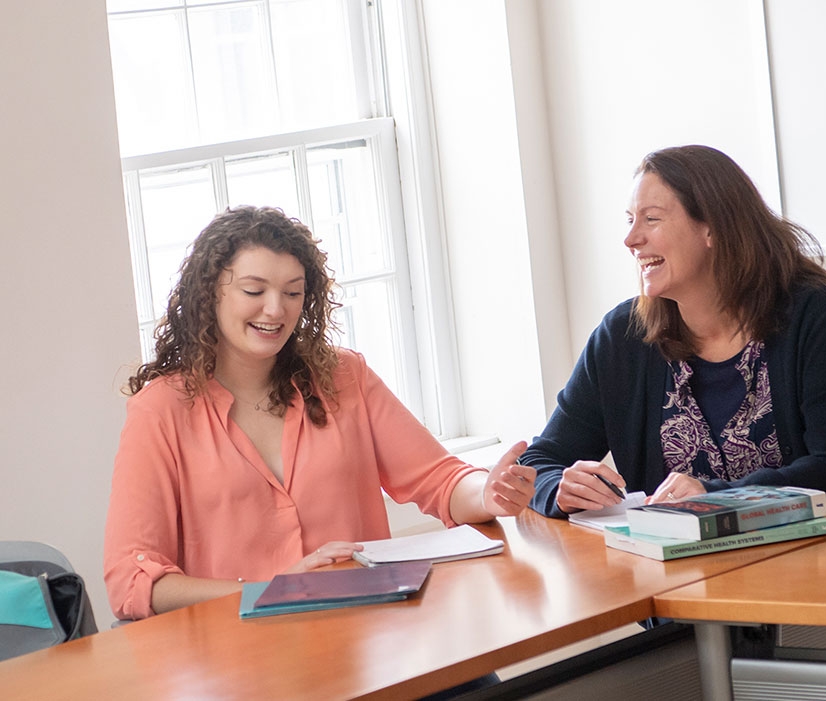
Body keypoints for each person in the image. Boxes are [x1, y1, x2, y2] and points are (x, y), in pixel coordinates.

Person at [104, 205, 536, 621]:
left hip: (368, 637)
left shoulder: (345, 377)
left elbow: (439, 479)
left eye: (293, 292)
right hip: (237, 659)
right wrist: (275, 589)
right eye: (254, 291)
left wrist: (487, 493)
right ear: (209, 293)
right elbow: (132, 579)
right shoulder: (159, 412)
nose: (276, 310)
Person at [525, 145, 826, 519]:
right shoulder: (622, 336)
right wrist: (561, 489)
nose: (631, 240)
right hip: (680, 567)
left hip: (811, 557)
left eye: (651, 219)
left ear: (712, 228)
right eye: (630, 220)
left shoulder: (807, 308)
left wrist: (713, 495)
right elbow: (540, 462)